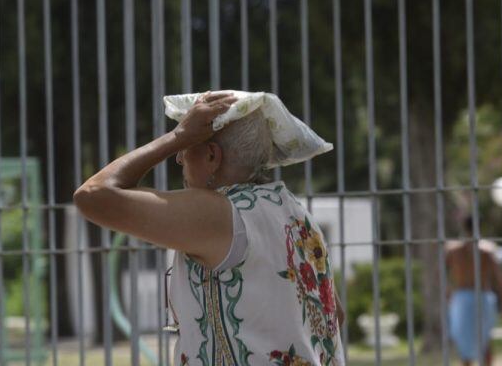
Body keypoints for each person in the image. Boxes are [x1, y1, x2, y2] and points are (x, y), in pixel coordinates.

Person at [75, 90, 346, 365]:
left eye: (187, 149)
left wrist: (177, 137)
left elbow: (92, 195)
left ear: (212, 156)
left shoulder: (218, 213)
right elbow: (335, 314)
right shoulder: (295, 212)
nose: (179, 158)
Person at [446, 216, 502, 366]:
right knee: (484, 338)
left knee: (464, 339)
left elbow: (442, 274)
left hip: (462, 297)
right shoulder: (487, 249)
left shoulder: (452, 249)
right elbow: (499, 278)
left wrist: (447, 291)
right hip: (482, 296)